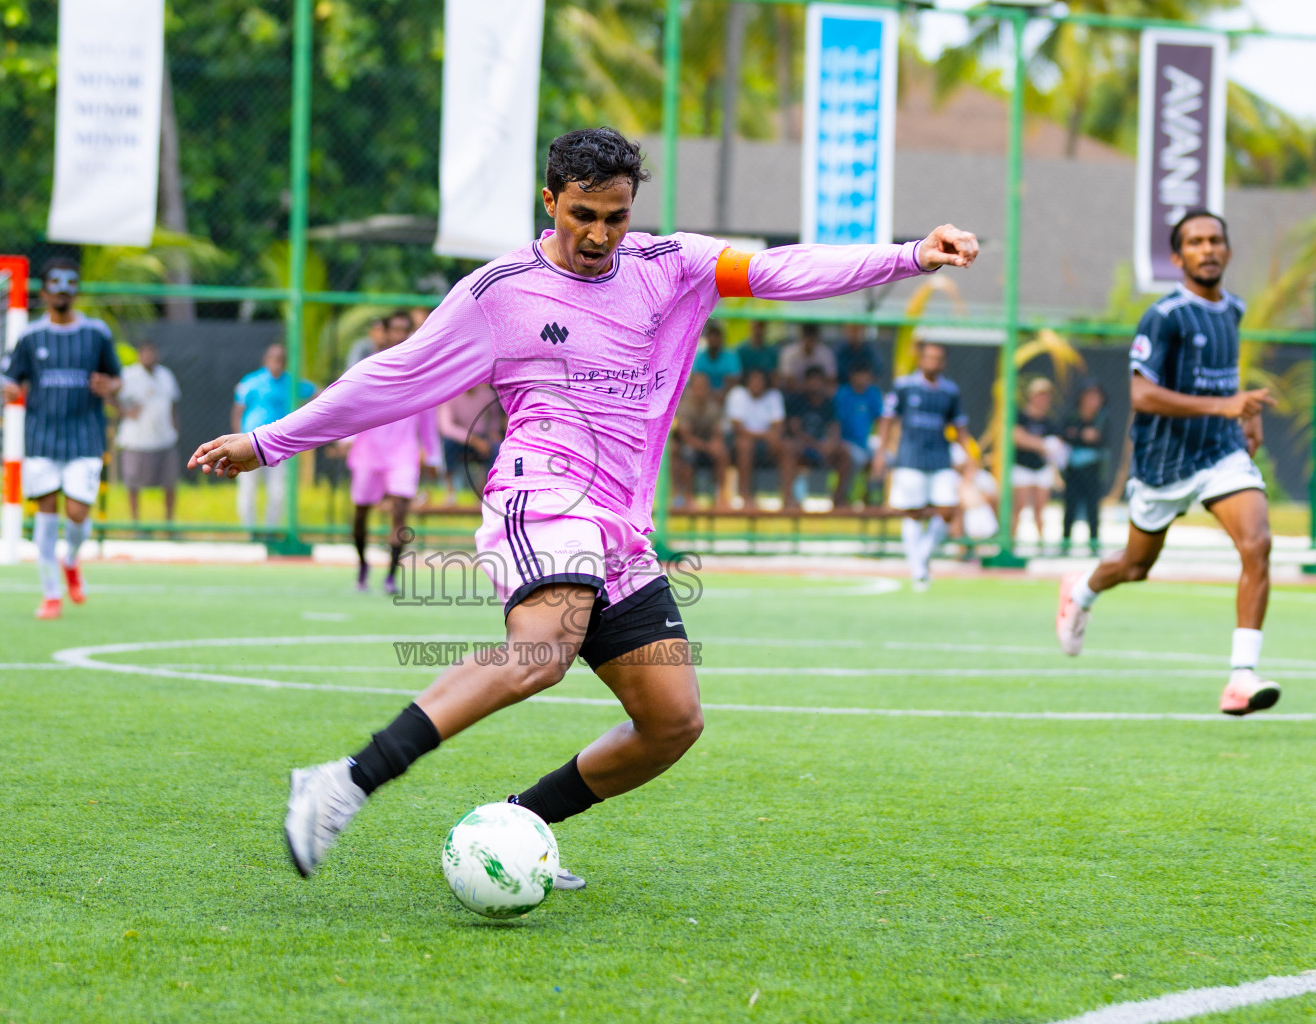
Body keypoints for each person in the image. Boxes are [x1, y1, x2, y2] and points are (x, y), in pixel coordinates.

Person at [188, 126, 977, 883]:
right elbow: (392, 376)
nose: (600, 235)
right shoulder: (500, 293)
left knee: (671, 722)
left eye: (616, 217)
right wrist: (268, 442)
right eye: (583, 216)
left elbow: (781, 270)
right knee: (542, 650)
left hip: (620, 524)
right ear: (550, 202)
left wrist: (909, 255)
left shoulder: (672, 264)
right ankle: (344, 780)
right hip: (540, 492)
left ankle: (513, 824)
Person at [1056, 210, 1278, 715]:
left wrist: (1241, 410)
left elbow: (1221, 373)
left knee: (1257, 543)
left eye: (1215, 240)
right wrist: (1221, 405)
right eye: (1195, 242)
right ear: (1178, 257)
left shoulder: (1233, 309)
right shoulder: (1166, 315)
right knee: (1135, 566)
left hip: (1221, 452)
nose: (1208, 249)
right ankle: (1082, 591)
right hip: (1162, 462)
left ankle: (1240, 679)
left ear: (1227, 249)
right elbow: (1142, 393)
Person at [0, 258, 121, 619]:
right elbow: (8, 376)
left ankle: (71, 559)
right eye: (55, 282)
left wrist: (109, 385)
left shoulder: (96, 333)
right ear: (44, 290)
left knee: (78, 513)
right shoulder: (30, 336)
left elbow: (117, 377)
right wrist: (7, 389)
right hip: (43, 438)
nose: (62, 288)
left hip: (84, 437)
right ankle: (51, 594)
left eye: (69, 282)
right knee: (46, 514)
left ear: (76, 289)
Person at [344, 311, 443, 593]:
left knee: (400, 511)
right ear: (383, 333)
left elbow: (428, 418)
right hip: (368, 450)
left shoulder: (421, 371)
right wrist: (346, 438)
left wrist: (433, 455)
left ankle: (390, 576)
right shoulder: (369, 367)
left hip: (403, 453)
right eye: (394, 330)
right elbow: (353, 404)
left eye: (405, 330)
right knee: (361, 513)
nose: (400, 336)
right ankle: (363, 566)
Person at [872, 340, 974, 590]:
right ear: (920, 359)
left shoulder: (950, 391)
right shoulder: (904, 386)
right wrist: (881, 452)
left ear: (944, 362)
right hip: (910, 457)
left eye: (938, 358)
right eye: (929, 357)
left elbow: (959, 426)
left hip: (940, 457)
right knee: (913, 512)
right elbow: (887, 420)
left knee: (948, 510)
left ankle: (923, 556)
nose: (933, 363)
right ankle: (918, 570)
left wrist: (969, 456)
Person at [233, 342, 316, 533]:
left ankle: (270, 532)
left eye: (281, 360)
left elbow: (316, 393)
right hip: (251, 442)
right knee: (248, 489)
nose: (277, 363)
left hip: (279, 445)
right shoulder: (251, 381)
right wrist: (238, 439)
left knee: (277, 491)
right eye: (274, 359)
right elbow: (238, 411)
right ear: (266, 360)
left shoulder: (292, 382)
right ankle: (250, 531)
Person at [114, 340, 181, 522]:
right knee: (133, 484)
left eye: (152, 352)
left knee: (169, 482)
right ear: (139, 355)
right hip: (136, 440)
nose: (149, 356)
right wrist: (125, 411)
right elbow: (110, 397)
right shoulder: (128, 376)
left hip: (164, 439)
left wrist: (176, 428)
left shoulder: (166, 375)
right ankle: (135, 523)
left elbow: (174, 404)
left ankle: (169, 524)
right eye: (145, 352)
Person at [727, 368, 795, 510]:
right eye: (753, 380)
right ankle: (745, 497)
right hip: (741, 444)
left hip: (767, 445)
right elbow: (738, 429)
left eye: (760, 381)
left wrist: (771, 437)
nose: (756, 384)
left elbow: (778, 426)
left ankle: (788, 498)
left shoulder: (774, 395)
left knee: (788, 446)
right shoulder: (737, 394)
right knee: (745, 445)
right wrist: (765, 435)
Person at [784, 366, 852, 507]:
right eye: (811, 380)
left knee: (845, 453)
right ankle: (789, 499)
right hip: (804, 447)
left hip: (824, 447)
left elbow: (834, 427)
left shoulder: (828, 402)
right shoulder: (797, 400)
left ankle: (838, 499)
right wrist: (816, 445)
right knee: (790, 450)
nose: (814, 384)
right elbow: (795, 430)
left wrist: (831, 443)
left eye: (817, 380)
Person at [1010, 377, 1059, 552]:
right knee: (1018, 508)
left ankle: (1041, 545)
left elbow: (1056, 445)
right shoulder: (1021, 416)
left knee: (1040, 508)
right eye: (1039, 395)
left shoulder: (1049, 421)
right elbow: (1018, 438)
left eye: (1046, 396)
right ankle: (1010, 544)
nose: (1043, 400)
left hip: (1041, 468)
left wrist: (1037, 444)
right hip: (1022, 467)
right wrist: (1042, 445)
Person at [1059, 380, 1107, 556]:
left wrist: (1077, 435)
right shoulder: (1072, 416)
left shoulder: (1103, 418)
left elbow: (1101, 439)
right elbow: (1066, 434)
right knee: (1069, 506)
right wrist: (1082, 436)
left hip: (1093, 471)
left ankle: (1093, 543)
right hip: (1073, 470)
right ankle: (1065, 543)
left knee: (1092, 507)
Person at [668, 371, 730, 508]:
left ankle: (721, 496)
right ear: (691, 388)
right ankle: (685, 497)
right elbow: (686, 437)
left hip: (706, 445)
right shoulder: (684, 406)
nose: (700, 390)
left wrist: (716, 443)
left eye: (703, 386)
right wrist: (708, 447)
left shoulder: (713, 406)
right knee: (687, 454)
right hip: (689, 446)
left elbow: (718, 431)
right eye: (697, 386)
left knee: (722, 452)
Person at [437, 382, 502, 504]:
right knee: (446, 445)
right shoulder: (450, 396)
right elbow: (446, 428)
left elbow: (494, 418)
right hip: (459, 440)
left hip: (482, 437)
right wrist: (473, 441)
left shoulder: (486, 394)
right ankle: (450, 493)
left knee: (497, 449)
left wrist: (493, 433)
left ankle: (483, 492)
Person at [834, 362, 883, 506]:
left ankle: (872, 498)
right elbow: (836, 422)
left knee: (885, 457)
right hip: (846, 441)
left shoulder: (873, 393)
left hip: (866, 442)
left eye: (866, 375)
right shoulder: (843, 394)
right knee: (857, 458)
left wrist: (880, 448)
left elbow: (881, 420)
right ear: (852, 376)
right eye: (859, 375)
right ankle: (846, 497)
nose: (863, 378)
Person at [778, 322, 837, 387]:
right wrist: (809, 387)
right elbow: (787, 380)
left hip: (820, 392)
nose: (809, 342)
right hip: (794, 392)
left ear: (817, 338)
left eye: (812, 338)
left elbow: (831, 380)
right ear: (801, 337)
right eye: (807, 337)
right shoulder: (789, 352)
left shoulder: (826, 353)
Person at [690, 321, 740, 391]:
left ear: (722, 339)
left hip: (725, 394)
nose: (713, 340)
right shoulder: (700, 356)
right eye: (711, 336)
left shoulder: (730, 356)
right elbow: (695, 377)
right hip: (704, 393)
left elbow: (735, 379)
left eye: (716, 336)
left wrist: (722, 392)